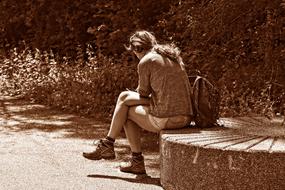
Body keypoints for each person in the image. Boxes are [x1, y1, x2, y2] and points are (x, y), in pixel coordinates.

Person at [82, 30, 193, 174]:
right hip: (185, 117)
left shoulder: (146, 61)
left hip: (167, 118)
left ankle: (116, 149)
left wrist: (131, 95)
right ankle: (113, 148)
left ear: (137, 48)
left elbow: (143, 93)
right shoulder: (170, 57)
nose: (134, 53)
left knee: (126, 107)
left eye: (134, 50)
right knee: (125, 102)